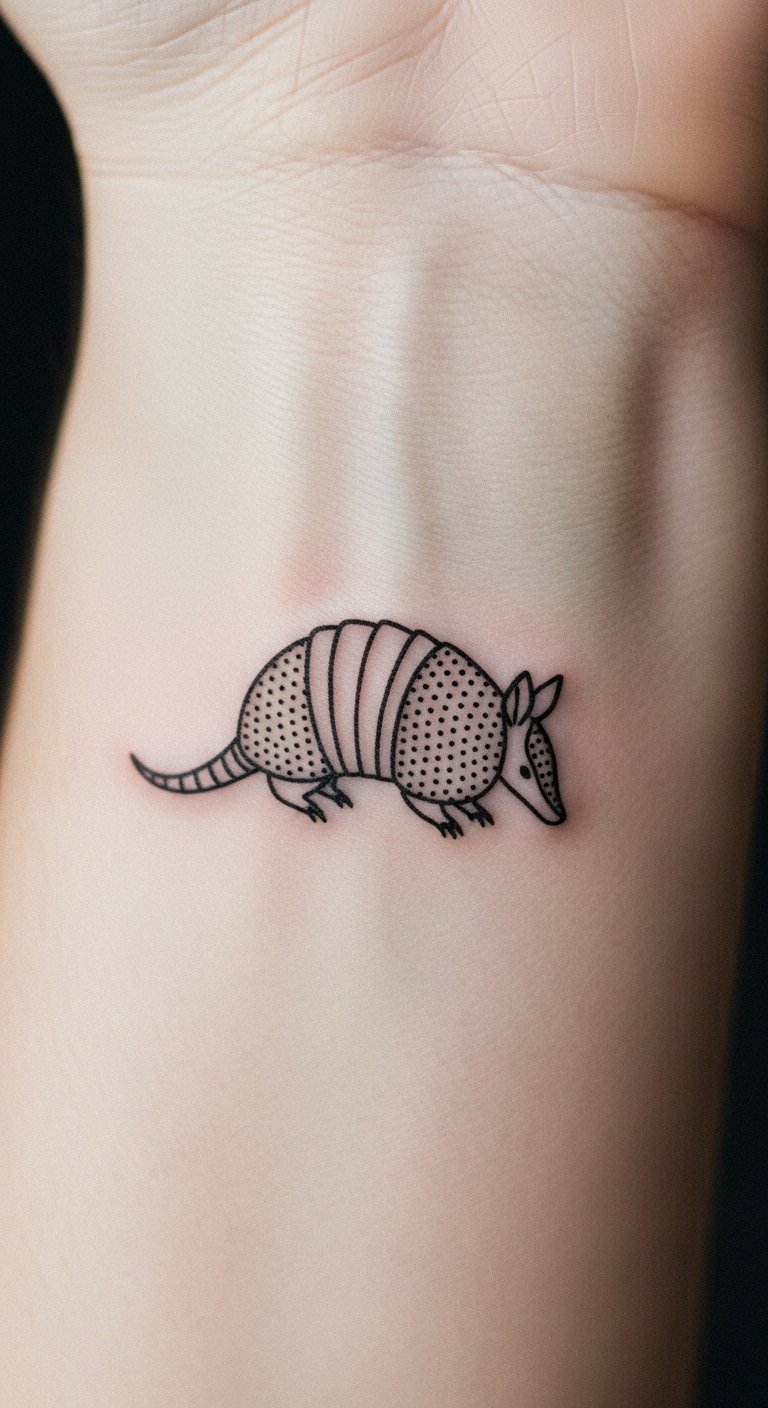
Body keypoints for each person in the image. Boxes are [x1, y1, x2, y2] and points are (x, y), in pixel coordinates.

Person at [0, 2, 765, 1403]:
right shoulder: (455, 739)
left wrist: (362, 169)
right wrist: (309, 156)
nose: (530, 784)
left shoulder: (471, 726)